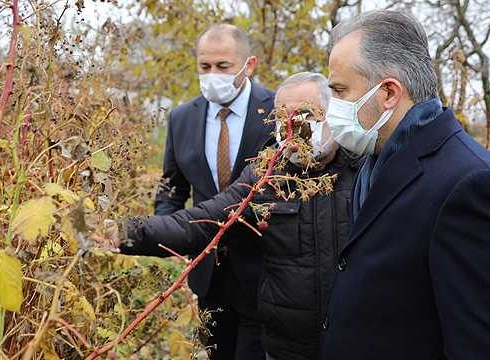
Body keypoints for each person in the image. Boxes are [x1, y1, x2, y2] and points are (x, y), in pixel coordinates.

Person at [320, 10, 490, 359]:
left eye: (340, 91)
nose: (333, 108)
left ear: (389, 92)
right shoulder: (377, 159)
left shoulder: (472, 186)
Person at [111, 72, 358, 360]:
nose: (292, 128)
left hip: (354, 340)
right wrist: (123, 232)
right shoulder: (264, 177)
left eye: (305, 115)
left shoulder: (364, 167)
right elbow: (200, 223)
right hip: (287, 346)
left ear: (333, 114)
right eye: (282, 118)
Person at [150, 23, 274, 359]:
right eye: (205, 67)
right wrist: (168, 235)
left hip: (265, 272)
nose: (212, 75)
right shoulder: (181, 119)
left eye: (223, 67)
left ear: (248, 65)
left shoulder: (276, 112)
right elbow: (171, 190)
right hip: (208, 276)